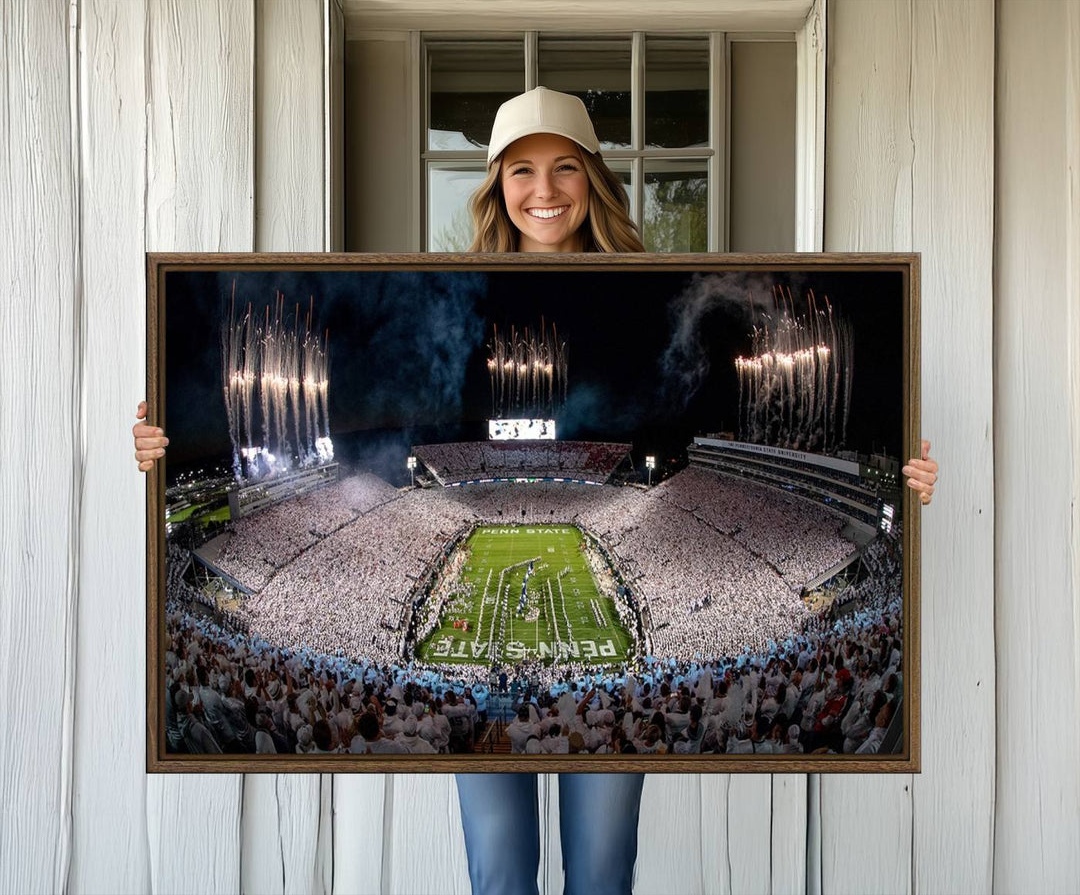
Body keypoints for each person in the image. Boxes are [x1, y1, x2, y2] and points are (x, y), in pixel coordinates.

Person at [133, 86, 940, 895]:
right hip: (497, 699)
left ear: (593, 177)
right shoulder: (447, 278)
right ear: (496, 184)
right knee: (500, 875)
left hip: (599, 723)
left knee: (600, 874)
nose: (544, 190)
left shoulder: (651, 278)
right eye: (521, 170)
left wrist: (903, 479)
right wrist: (158, 449)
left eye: (564, 168)